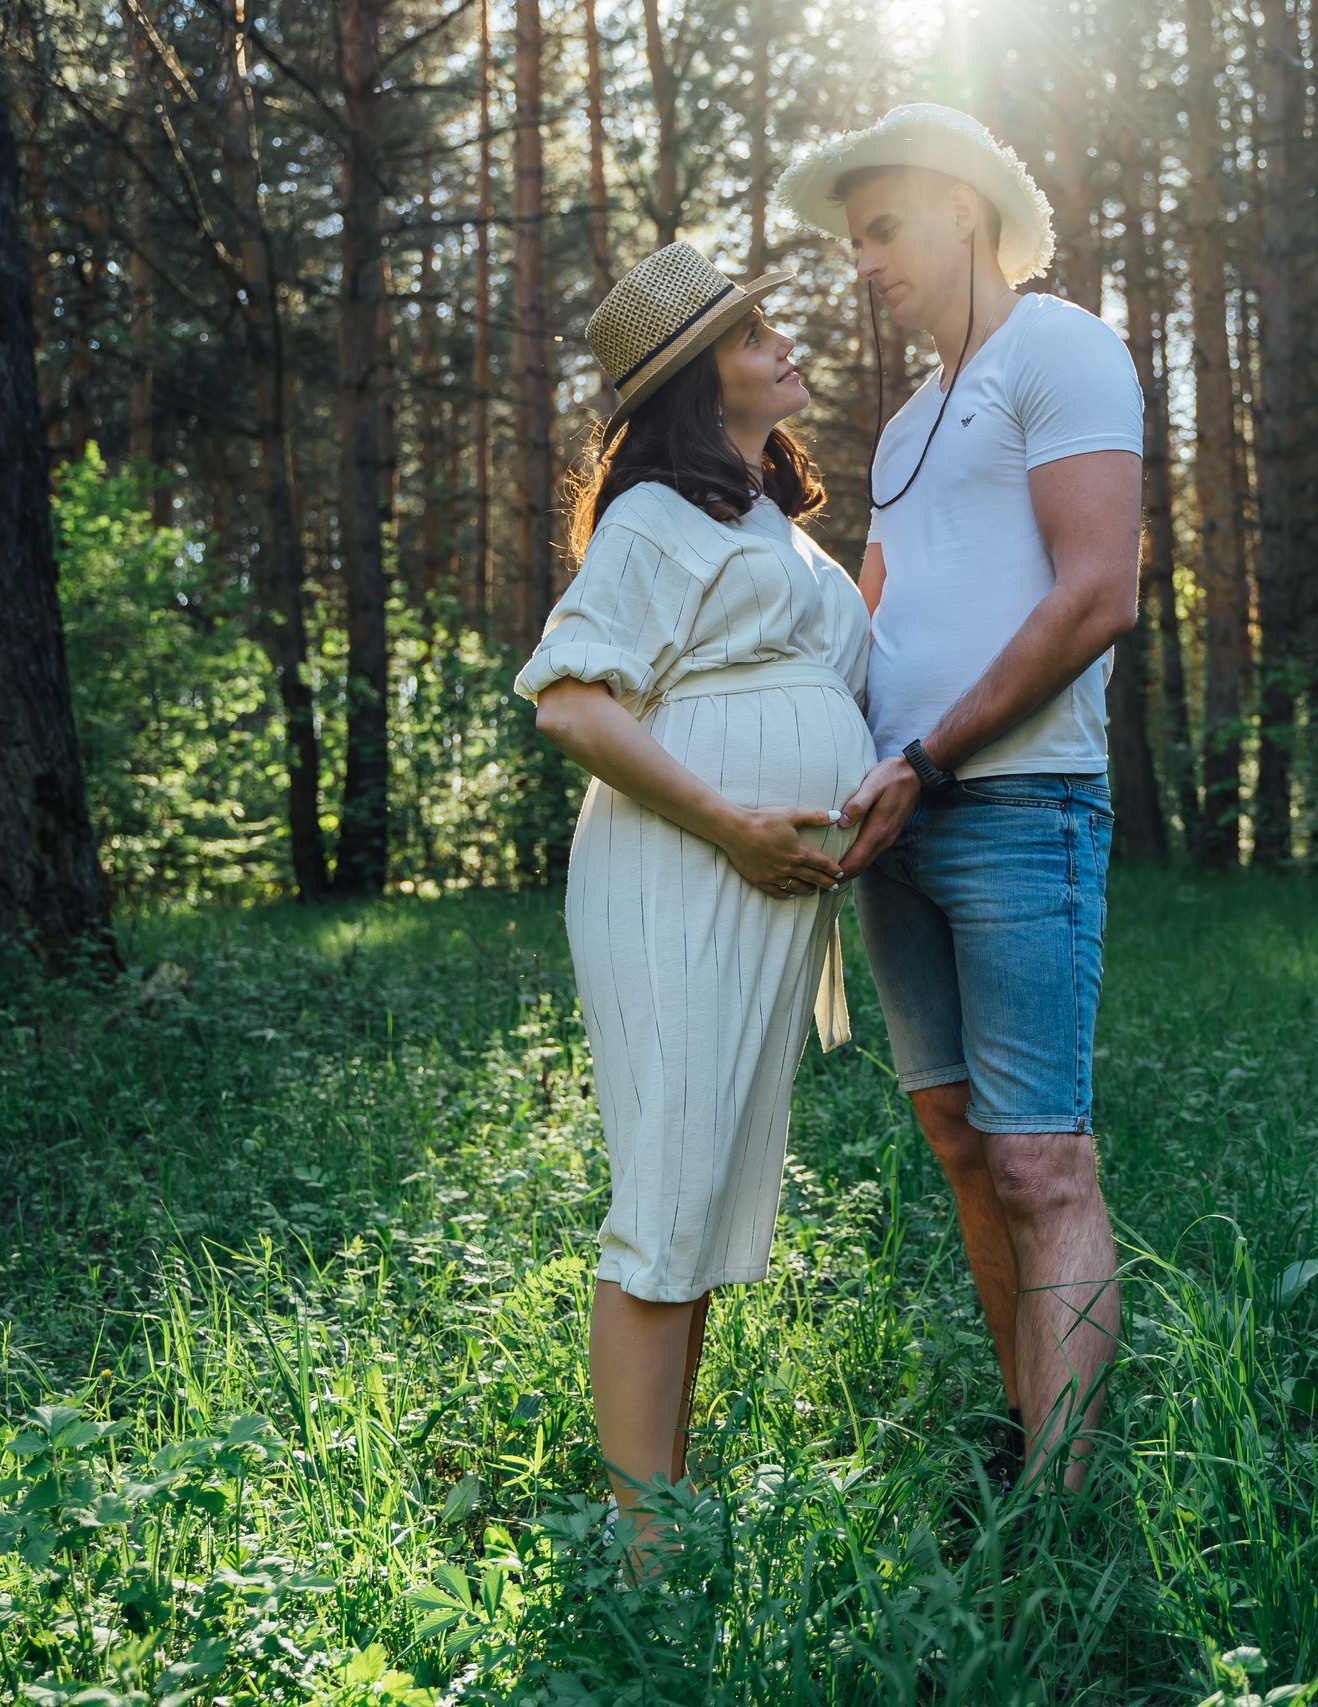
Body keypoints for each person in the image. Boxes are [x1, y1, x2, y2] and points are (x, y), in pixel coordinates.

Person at [776, 105, 1145, 1491]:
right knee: (953, 1136)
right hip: (896, 827)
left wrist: (930, 757)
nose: (863, 260)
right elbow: (873, 617)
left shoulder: (1063, 347)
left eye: (884, 229)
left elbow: (1095, 592)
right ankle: (1025, 1432)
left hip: (1016, 804)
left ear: (967, 213)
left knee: (1039, 1158)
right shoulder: (909, 421)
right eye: (852, 238)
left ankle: (1063, 1506)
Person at [514, 242, 874, 1553]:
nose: (784, 346)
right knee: (667, 1196)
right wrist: (731, 824)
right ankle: (640, 1540)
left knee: (708, 1193)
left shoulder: (763, 522)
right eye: (753, 333)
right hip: (680, 872)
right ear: (694, 379)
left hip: (761, 887)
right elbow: (567, 702)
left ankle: (667, 1505)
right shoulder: (651, 522)